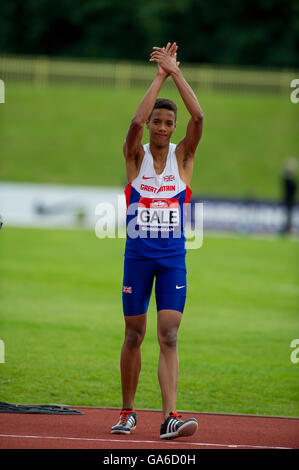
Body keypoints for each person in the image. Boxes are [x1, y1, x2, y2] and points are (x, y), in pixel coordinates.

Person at [111, 42, 203, 439]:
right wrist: (159, 75)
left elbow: (198, 115)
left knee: (169, 333)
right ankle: (128, 412)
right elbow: (133, 122)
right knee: (134, 334)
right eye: (158, 122)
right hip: (138, 257)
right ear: (151, 125)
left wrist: (177, 73)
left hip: (171, 259)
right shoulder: (135, 155)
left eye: (169, 123)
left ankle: (169, 418)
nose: (163, 127)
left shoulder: (184, 157)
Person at [281, 157, 297, 234]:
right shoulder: (287, 179)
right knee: (288, 215)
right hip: (288, 200)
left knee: (289, 215)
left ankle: (288, 228)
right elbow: (293, 186)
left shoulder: (288, 179)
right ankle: (287, 229)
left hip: (290, 200)